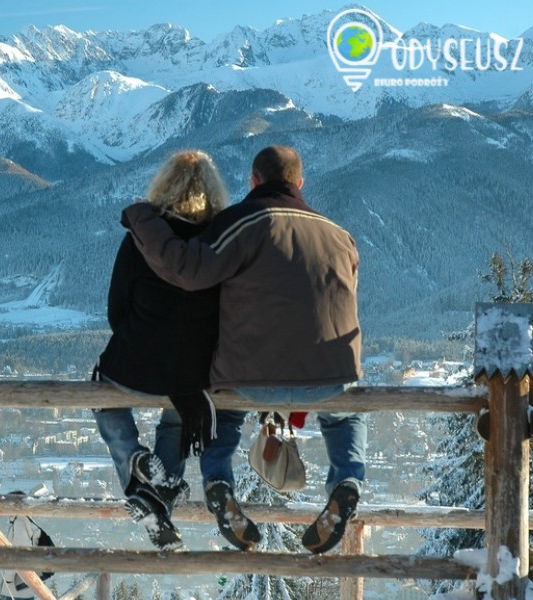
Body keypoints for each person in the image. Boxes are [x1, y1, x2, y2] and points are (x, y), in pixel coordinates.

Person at [120, 144, 366, 555]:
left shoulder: (241, 223)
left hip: (249, 376)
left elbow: (189, 269)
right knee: (346, 417)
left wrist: (143, 217)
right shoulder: (340, 236)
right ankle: (347, 482)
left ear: (254, 180)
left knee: (225, 412)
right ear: (300, 183)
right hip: (330, 376)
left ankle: (218, 482)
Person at [93, 150, 259, 552]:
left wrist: (140, 341)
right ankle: (158, 495)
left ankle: (135, 461)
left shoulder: (140, 241)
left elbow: (117, 309)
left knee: (103, 396)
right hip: (195, 371)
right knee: (178, 419)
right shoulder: (219, 242)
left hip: (136, 363)